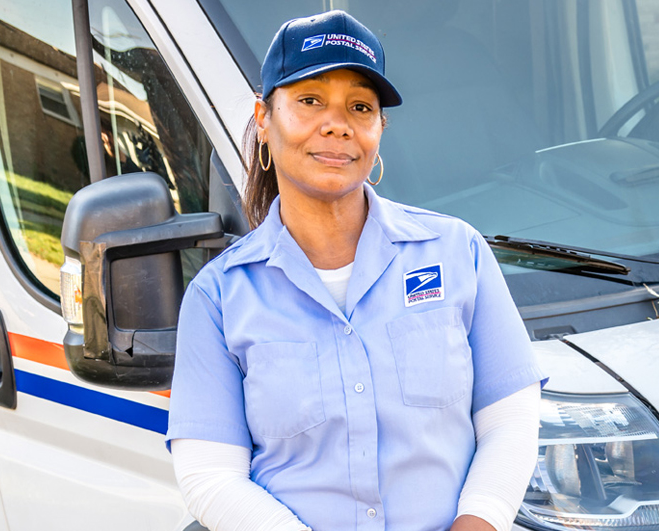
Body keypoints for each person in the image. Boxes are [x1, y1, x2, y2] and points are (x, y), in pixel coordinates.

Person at [166, 10, 545, 531]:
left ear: (379, 130)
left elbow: (511, 417)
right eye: (309, 100)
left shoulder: (458, 252)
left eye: (360, 107)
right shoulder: (219, 297)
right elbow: (210, 476)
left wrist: (480, 521)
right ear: (263, 117)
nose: (336, 123)